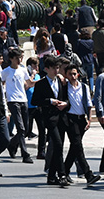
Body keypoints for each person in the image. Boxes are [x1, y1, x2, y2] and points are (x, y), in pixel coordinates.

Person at [60, 63, 100, 184]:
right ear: (66, 75)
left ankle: (64, 171)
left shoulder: (84, 87)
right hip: (70, 119)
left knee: (75, 147)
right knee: (77, 145)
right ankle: (88, 174)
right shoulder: (64, 87)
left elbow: (88, 104)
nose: (73, 76)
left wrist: (89, 119)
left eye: (74, 73)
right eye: (70, 74)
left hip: (81, 119)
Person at [33, 56, 69, 186]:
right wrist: (49, 101)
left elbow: (66, 97)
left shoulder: (61, 81)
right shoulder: (41, 84)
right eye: (54, 68)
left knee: (58, 147)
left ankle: (51, 175)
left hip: (61, 117)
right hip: (49, 118)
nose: (56, 70)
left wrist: (64, 104)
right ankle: (62, 174)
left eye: (58, 68)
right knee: (58, 145)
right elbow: (35, 101)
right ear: (46, 69)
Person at [2, 47, 34, 163]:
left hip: (23, 99)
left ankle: (12, 144)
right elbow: (1, 84)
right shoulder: (6, 71)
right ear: (11, 59)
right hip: (12, 100)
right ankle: (25, 154)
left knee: (25, 129)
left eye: (20, 58)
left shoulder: (23, 70)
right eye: (17, 58)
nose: (19, 60)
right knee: (20, 127)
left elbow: (28, 83)